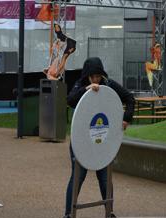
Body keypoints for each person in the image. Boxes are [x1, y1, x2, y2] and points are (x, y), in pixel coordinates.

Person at [63, 57, 135, 218]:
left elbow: (129, 98)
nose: (96, 79)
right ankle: (68, 213)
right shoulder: (80, 84)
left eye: (98, 76)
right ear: (87, 76)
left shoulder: (108, 84)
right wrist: (86, 89)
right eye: (93, 76)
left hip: (101, 140)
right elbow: (70, 100)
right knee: (77, 177)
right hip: (81, 139)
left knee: (104, 177)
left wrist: (126, 118)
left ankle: (109, 212)